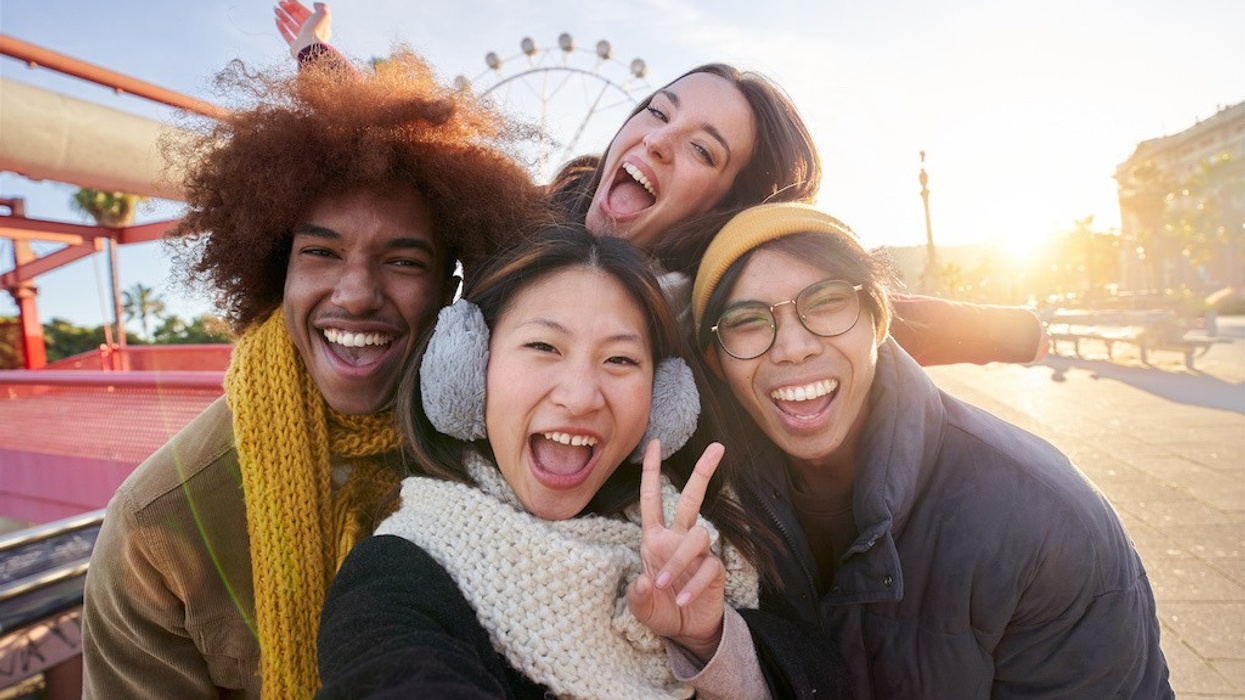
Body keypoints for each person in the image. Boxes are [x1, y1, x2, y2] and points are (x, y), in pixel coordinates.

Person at [80, 52, 547, 699]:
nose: (355, 294)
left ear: (449, 289)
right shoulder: (161, 526)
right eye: (321, 253)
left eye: (403, 261)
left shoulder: (511, 456)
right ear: (277, 274)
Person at [275, 0, 1049, 364]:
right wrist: (318, 56)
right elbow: (423, 156)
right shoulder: (523, 220)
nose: (658, 141)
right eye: (655, 110)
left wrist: (1010, 331)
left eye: (704, 150)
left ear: (730, 204)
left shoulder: (720, 292)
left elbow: (870, 312)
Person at [313, 227, 852, 699]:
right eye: (544, 346)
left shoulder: (716, 542)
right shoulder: (398, 574)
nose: (581, 396)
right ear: (473, 366)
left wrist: (711, 640)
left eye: (620, 359)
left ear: (662, 400)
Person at [689, 202, 1173, 698]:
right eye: (746, 321)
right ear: (717, 361)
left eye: (826, 302)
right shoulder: (712, 520)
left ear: (877, 321)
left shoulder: (1042, 527)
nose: (793, 347)